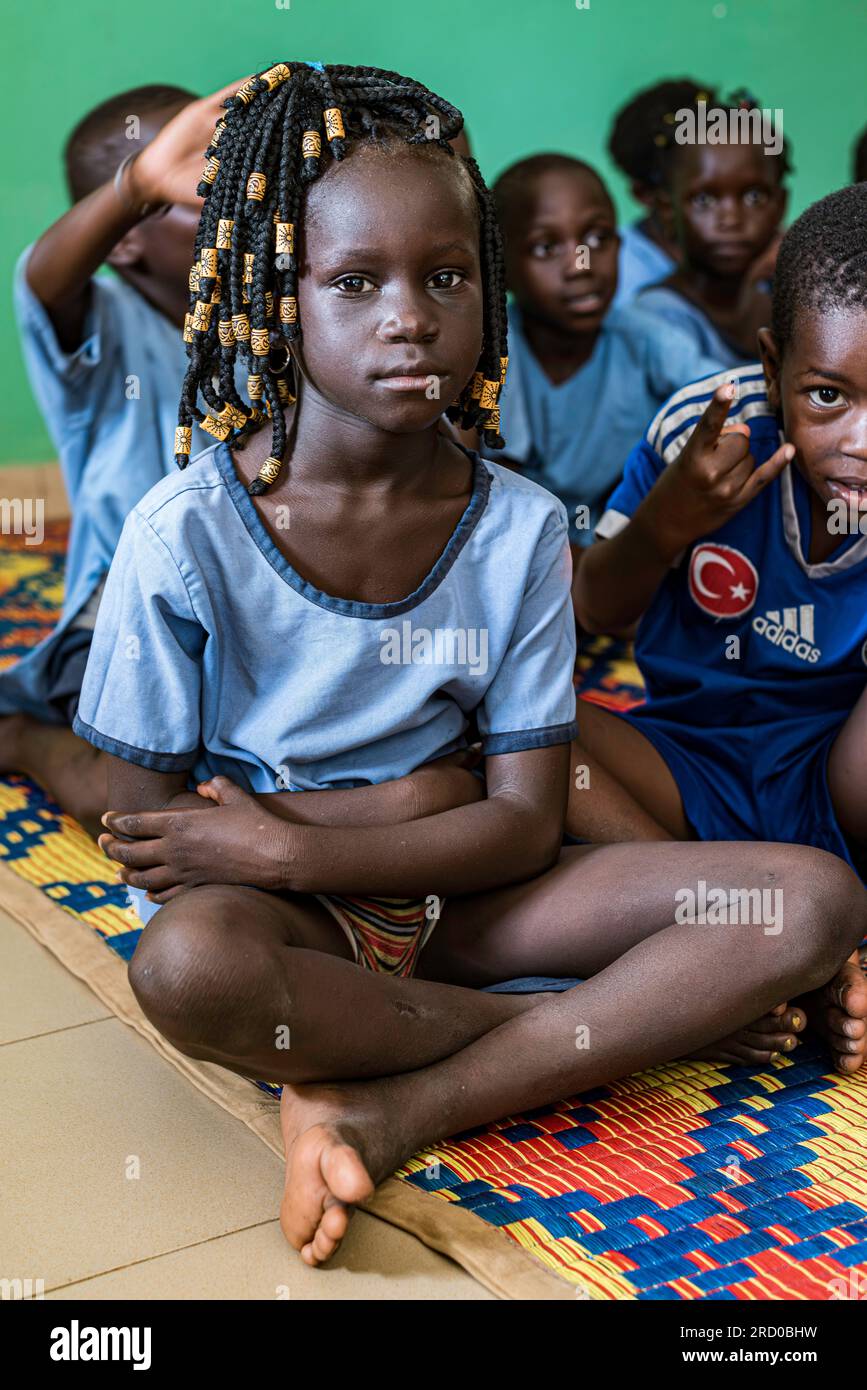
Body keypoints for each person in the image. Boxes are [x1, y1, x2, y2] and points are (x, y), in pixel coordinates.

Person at [79, 64, 863, 1269]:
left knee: (807, 900)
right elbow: (153, 844)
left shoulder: (520, 529)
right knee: (186, 965)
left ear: (485, 289)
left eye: (446, 276)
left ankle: (390, 1098)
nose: (409, 316)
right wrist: (367, 821)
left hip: (477, 903)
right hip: (288, 926)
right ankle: (568, 1030)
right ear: (277, 297)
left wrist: (289, 836)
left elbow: (515, 828)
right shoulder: (183, 534)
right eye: (355, 282)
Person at [569, 184, 867, 1077]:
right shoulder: (703, 433)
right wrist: (668, 521)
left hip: (840, 786)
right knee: (518, 723)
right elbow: (594, 610)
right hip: (685, 768)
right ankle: (724, 925)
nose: (861, 442)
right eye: (825, 395)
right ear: (773, 365)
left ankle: (799, 950)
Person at [0, 81, 249, 833]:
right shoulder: (104, 332)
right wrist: (135, 185)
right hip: (120, 617)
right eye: (195, 189)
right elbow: (43, 279)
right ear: (127, 235)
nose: (230, 203)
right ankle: (22, 735)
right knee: (134, 799)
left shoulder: (265, 326)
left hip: (248, 608)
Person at [482, 154, 722, 555]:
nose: (580, 267)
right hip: (533, 551)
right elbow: (511, 508)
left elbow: (729, 396)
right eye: (546, 247)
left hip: (625, 536)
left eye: (596, 239)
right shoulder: (498, 354)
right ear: (500, 268)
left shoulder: (641, 337)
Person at [638, 90, 788, 369]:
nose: (730, 219)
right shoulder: (656, 318)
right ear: (666, 211)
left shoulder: (790, 301)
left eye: (754, 197)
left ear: (780, 205)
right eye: (704, 200)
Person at [607, 78, 713, 306]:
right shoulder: (618, 281)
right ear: (644, 194)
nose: (733, 215)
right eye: (704, 198)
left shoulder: (768, 252)